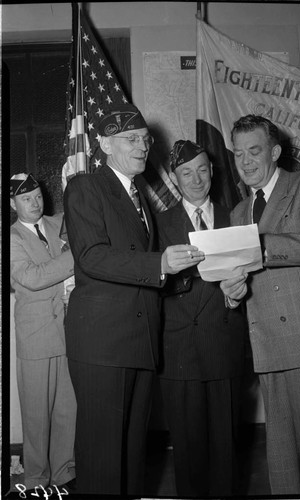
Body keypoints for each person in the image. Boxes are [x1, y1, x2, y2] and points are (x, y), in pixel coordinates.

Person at [63, 105, 204, 496]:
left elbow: (147, 274)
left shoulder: (139, 197)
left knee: (131, 457)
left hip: (139, 341)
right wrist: (159, 262)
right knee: (103, 458)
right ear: (105, 144)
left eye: (145, 139)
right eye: (131, 139)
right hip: (104, 344)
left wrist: (195, 275)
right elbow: (91, 257)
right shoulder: (86, 186)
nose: (142, 146)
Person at [221, 114, 300, 495]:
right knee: (282, 462)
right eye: (238, 153)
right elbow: (244, 280)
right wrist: (232, 291)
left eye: (254, 151)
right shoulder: (237, 213)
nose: (245, 161)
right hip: (269, 347)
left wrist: (256, 248)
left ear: (275, 152)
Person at [155, 140, 247, 497]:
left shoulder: (235, 216)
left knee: (226, 446)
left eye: (202, 170)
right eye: (186, 173)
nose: (196, 180)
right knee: (188, 451)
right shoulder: (158, 223)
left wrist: (238, 295)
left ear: (213, 171)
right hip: (178, 350)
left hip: (224, 342)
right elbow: (151, 284)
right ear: (175, 179)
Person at [10, 173, 76, 493]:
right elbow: (32, 277)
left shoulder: (56, 223)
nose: (35, 203)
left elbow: (85, 216)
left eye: (37, 196)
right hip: (35, 337)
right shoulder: (11, 238)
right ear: (12, 204)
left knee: (67, 409)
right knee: (37, 416)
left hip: (67, 330)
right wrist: (76, 257)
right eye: (26, 199)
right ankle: (36, 480)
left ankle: (64, 473)